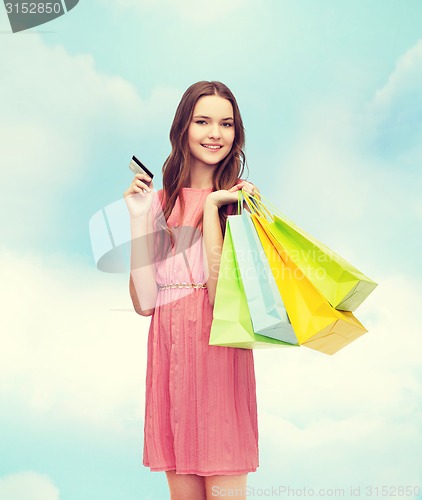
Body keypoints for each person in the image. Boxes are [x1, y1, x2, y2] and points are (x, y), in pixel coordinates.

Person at [123, 81, 260, 500]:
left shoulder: (242, 202)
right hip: (170, 357)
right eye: (203, 121)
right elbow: (146, 302)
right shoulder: (159, 201)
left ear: (236, 135)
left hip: (218, 356)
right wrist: (138, 218)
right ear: (183, 128)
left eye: (226, 124)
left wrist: (216, 208)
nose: (214, 133)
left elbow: (223, 299)